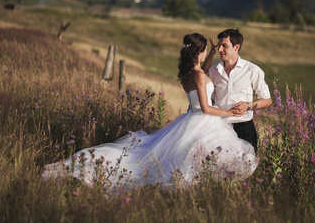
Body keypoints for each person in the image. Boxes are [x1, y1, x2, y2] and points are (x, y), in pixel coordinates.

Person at [42, 33, 258, 193]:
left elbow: (202, 72)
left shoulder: (187, 74)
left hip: (190, 119)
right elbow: (207, 107)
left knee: (186, 155)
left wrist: (210, 52)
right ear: (199, 53)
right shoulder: (200, 76)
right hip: (204, 120)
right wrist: (229, 112)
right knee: (199, 158)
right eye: (208, 50)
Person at [205, 28, 272, 153]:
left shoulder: (252, 70)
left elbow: (267, 100)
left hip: (244, 127)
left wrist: (248, 105)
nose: (220, 50)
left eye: (224, 46)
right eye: (219, 45)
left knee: (247, 166)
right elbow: (210, 99)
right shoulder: (213, 71)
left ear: (236, 47)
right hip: (219, 128)